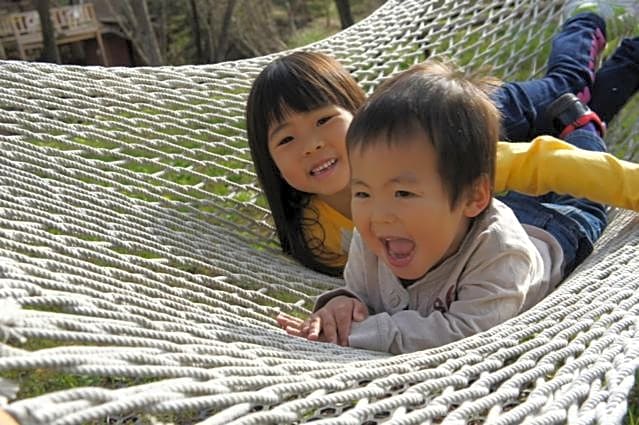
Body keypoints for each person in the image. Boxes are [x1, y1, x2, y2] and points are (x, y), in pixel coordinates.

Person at [246, 9, 639, 276]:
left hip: (479, 110)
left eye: (324, 120)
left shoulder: (429, 159)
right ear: (271, 161)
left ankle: (586, 18)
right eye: (287, 138)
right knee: (577, 112)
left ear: (361, 113)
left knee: (566, 84)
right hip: (467, 157)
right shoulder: (317, 236)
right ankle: (585, 112)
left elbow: (545, 165)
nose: (311, 145)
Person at [278, 61, 611, 354]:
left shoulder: (502, 256)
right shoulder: (373, 240)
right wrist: (342, 306)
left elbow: (466, 332)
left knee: (582, 192)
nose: (378, 215)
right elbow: (360, 294)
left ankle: (581, 125)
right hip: (464, 218)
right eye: (363, 194)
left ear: (472, 196)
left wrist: (363, 334)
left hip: (558, 230)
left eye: (403, 193)